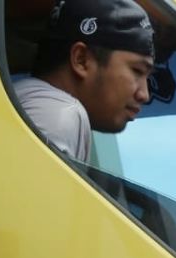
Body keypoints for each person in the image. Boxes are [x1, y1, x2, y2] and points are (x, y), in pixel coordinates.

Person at [15, 0, 155, 161]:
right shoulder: (58, 113)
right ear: (81, 59)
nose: (144, 94)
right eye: (137, 70)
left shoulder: (29, 100)